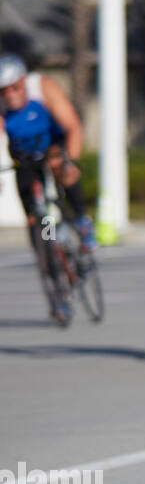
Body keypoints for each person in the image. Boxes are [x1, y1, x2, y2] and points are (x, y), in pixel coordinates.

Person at [0, 54, 96, 317]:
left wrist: (71, 161)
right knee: (36, 221)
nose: (10, 95)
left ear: (23, 81)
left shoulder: (42, 87)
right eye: (3, 91)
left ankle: (81, 220)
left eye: (15, 87)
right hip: (24, 158)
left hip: (53, 144)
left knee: (62, 168)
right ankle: (56, 285)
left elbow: (72, 126)